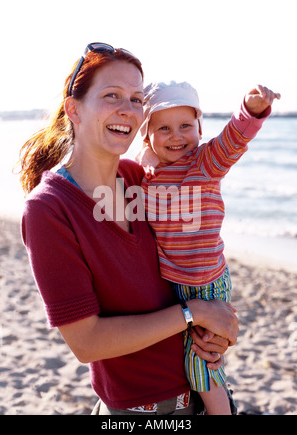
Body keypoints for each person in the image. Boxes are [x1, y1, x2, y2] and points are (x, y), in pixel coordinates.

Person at [18, 43, 239, 415]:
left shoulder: (141, 179)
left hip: (200, 391)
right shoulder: (48, 209)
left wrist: (217, 327)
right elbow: (86, 342)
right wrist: (193, 313)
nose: (128, 109)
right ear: (74, 109)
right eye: (112, 96)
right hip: (138, 411)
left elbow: (192, 256)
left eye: (137, 99)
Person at [137, 81, 280, 414]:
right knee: (180, 355)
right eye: (164, 128)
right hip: (173, 283)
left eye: (185, 125)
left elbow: (234, 140)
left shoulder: (204, 163)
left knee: (202, 363)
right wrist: (144, 154)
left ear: (199, 128)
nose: (176, 136)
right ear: (148, 135)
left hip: (206, 283)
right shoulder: (146, 176)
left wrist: (251, 109)